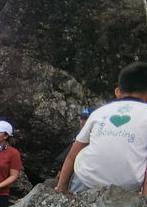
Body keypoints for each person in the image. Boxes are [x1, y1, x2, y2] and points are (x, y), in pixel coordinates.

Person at [55, 61, 147, 196]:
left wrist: (61, 188)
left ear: (119, 91)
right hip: (128, 186)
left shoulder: (100, 112)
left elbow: (72, 155)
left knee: (84, 150)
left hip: (87, 181)